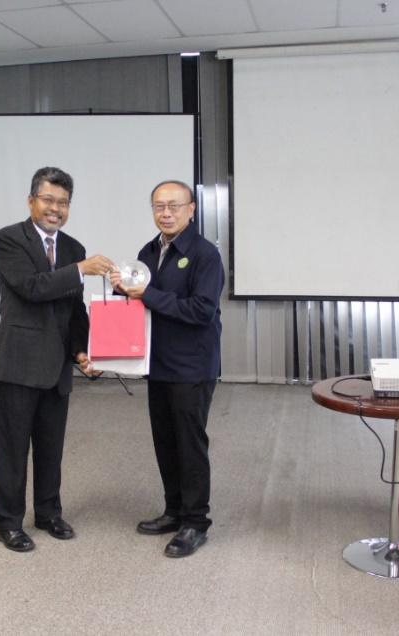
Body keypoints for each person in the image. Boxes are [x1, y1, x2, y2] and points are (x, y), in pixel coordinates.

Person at [0, 166, 114, 552]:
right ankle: (7, 522)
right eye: (48, 200)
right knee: (11, 450)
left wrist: (83, 351)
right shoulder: (8, 239)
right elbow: (32, 288)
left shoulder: (74, 247)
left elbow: (72, 308)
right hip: (17, 364)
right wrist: (79, 270)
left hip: (56, 366)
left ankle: (48, 513)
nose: (55, 208)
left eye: (62, 202)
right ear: (32, 201)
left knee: (50, 447)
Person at [111, 180, 223, 558]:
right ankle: (173, 510)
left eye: (175, 205)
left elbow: (202, 310)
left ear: (191, 209)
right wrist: (120, 290)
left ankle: (196, 522)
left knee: (190, 445)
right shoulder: (148, 250)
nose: (166, 212)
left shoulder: (205, 254)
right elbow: (140, 303)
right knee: (165, 442)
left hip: (192, 366)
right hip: (156, 363)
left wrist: (149, 296)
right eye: (159, 206)